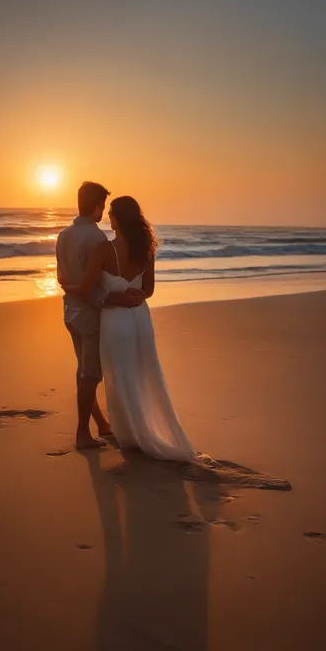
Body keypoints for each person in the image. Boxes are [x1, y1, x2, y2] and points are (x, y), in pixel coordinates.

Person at [63, 195, 196, 461]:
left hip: (115, 320)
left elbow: (88, 292)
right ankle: (145, 430)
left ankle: (130, 434)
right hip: (140, 319)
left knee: (119, 376)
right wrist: (133, 297)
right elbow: (148, 290)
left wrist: (67, 286)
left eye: (111, 213)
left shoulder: (104, 250)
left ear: (117, 219)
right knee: (142, 372)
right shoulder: (146, 250)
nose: (108, 217)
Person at [56, 182, 145, 450]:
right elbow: (93, 288)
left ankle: (102, 425)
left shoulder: (63, 234)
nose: (103, 213)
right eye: (102, 207)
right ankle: (83, 433)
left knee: (84, 370)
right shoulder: (96, 240)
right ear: (96, 207)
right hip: (90, 316)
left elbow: (62, 277)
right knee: (91, 374)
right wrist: (116, 298)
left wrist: (70, 289)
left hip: (70, 313)